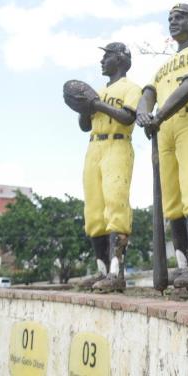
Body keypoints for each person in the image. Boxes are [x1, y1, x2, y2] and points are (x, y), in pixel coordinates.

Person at [136, 4, 188, 296]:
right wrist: (144, 114)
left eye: (179, 17)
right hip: (163, 130)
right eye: (170, 18)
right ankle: (182, 265)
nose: (173, 22)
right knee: (172, 203)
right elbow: (149, 93)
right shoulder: (163, 66)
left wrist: (158, 115)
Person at [76, 42, 141, 293]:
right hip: (94, 146)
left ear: (121, 59)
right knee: (93, 211)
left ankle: (116, 273)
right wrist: (83, 107)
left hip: (118, 144)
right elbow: (84, 126)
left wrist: (97, 104)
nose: (102, 61)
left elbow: (128, 116)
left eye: (107, 56)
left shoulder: (130, 88)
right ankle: (102, 271)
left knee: (116, 203)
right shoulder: (98, 91)